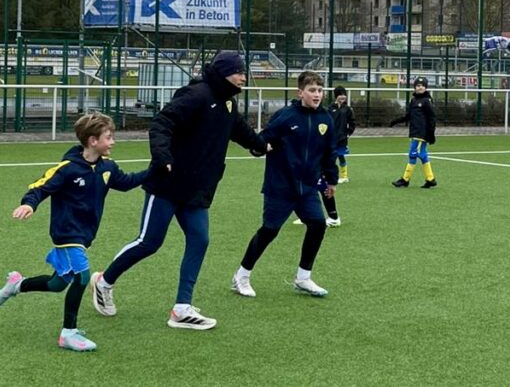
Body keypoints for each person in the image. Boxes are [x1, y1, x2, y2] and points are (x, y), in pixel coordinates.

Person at [92, 50, 268, 331]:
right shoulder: (197, 95)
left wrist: (260, 144)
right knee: (149, 242)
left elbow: (239, 130)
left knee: (200, 240)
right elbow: (162, 123)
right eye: (239, 71)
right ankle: (103, 282)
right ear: (224, 73)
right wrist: (163, 157)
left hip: (197, 190)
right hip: (167, 184)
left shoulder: (228, 104)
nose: (244, 77)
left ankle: (182, 308)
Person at [0, 113, 147, 352]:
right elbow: (40, 187)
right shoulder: (67, 169)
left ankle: (17, 285)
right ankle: (68, 333)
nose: (113, 141)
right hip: (66, 233)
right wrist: (29, 203)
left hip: (85, 235)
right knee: (82, 277)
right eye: (109, 137)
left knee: (57, 283)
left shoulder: (107, 167)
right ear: (93, 140)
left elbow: (126, 182)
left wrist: (155, 171)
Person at [232, 70, 338, 298]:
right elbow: (263, 139)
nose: (317, 95)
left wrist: (331, 179)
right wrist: (258, 148)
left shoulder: (326, 119)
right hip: (281, 185)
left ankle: (303, 278)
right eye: (312, 90)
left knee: (318, 224)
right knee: (269, 230)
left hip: (308, 187)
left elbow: (329, 152)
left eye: (320, 90)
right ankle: (241, 276)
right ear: (300, 92)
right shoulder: (286, 116)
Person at [390, 76, 437, 188]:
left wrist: (431, 133)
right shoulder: (414, 100)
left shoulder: (426, 101)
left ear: (425, 87)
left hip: (421, 133)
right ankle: (430, 179)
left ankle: (405, 179)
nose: (419, 88)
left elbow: (432, 118)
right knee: (422, 155)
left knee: (413, 154)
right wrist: (396, 121)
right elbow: (408, 116)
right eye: (417, 86)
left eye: (422, 86)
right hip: (414, 132)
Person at [330, 85, 356, 184]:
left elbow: (352, 122)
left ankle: (344, 176)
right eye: (340, 94)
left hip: (342, 138)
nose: (343, 96)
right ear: (336, 96)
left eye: (344, 94)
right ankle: (331, 176)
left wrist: (349, 133)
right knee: (330, 158)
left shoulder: (347, 109)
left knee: (341, 156)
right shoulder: (330, 108)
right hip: (331, 138)